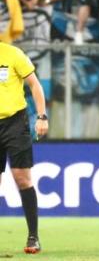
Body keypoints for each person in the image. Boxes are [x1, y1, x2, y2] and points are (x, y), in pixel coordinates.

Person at [0, 42, 48, 254]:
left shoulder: (12, 53)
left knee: (22, 178)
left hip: (14, 123)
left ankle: (33, 236)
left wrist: (41, 116)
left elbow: (34, 84)